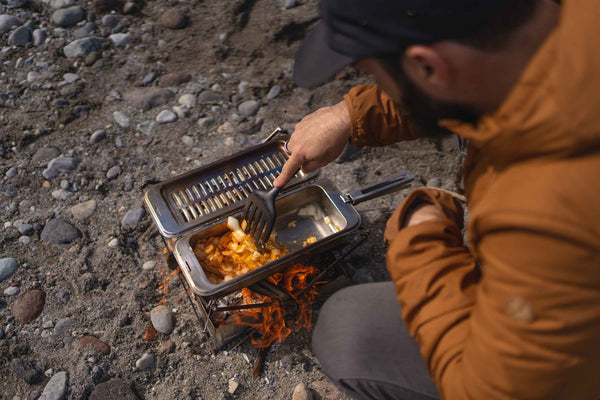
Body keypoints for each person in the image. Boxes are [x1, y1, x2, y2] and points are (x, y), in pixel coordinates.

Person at [273, 0, 600, 399]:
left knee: (349, 329)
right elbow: (465, 71)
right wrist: (349, 115)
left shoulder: (543, 208)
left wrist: (421, 234)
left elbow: (487, 391)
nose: (379, 83)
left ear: (428, 66)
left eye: (375, 74)